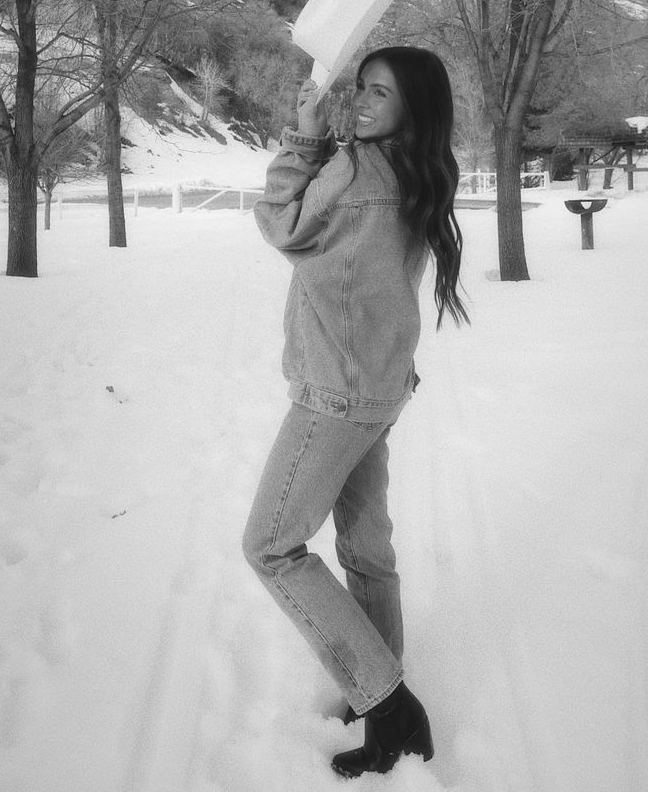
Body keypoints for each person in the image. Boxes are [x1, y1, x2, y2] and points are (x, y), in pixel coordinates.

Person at [242, 46, 469, 778]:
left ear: (413, 106)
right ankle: (377, 682)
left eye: (380, 93)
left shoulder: (356, 170)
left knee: (271, 547)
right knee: (367, 548)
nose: (362, 103)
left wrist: (304, 140)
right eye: (361, 88)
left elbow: (283, 225)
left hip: (337, 391)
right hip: (379, 384)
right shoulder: (418, 166)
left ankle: (387, 702)